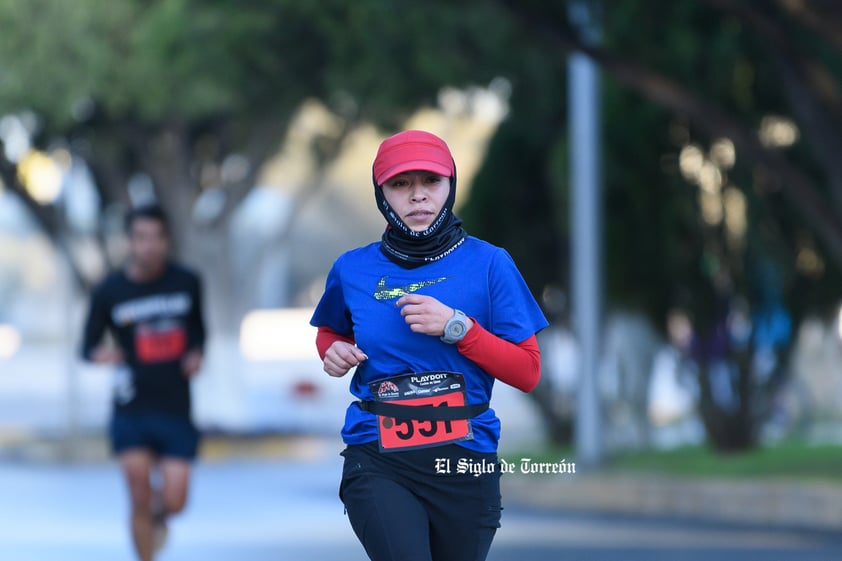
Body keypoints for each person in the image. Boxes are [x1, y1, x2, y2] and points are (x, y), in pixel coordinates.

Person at [310, 130, 548, 561]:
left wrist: (458, 328)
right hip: (377, 456)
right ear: (381, 193)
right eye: (401, 185)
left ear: (451, 184)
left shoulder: (491, 263)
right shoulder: (352, 269)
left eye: (431, 182)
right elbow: (331, 332)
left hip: (465, 459)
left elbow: (527, 372)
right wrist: (332, 351)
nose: (418, 197)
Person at [81, 204, 206, 561]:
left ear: (166, 240)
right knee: (137, 493)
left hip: (175, 408)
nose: (148, 245)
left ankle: (159, 517)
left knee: (175, 501)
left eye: (156, 237)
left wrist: (196, 353)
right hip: (130, 407)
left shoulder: (186, 282)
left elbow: (199, 332)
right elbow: (86, 346)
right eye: (141, 238)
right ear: (129, 242)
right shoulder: (109, 291)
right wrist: (102, 355)